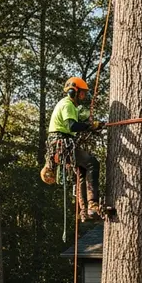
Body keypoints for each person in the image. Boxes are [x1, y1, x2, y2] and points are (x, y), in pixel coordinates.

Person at [46, 76, 111, 221]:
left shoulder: (71, 106)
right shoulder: (67, 104)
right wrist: (90, 125)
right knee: (92, 163)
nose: (83, 96)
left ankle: (86, 211)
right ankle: (92, 204)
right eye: (81, 92)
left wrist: (94, 125)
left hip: (62, 143)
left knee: (82, 171)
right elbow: (72, 126)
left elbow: (77, 125)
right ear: (72, 92)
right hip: (61, 142)